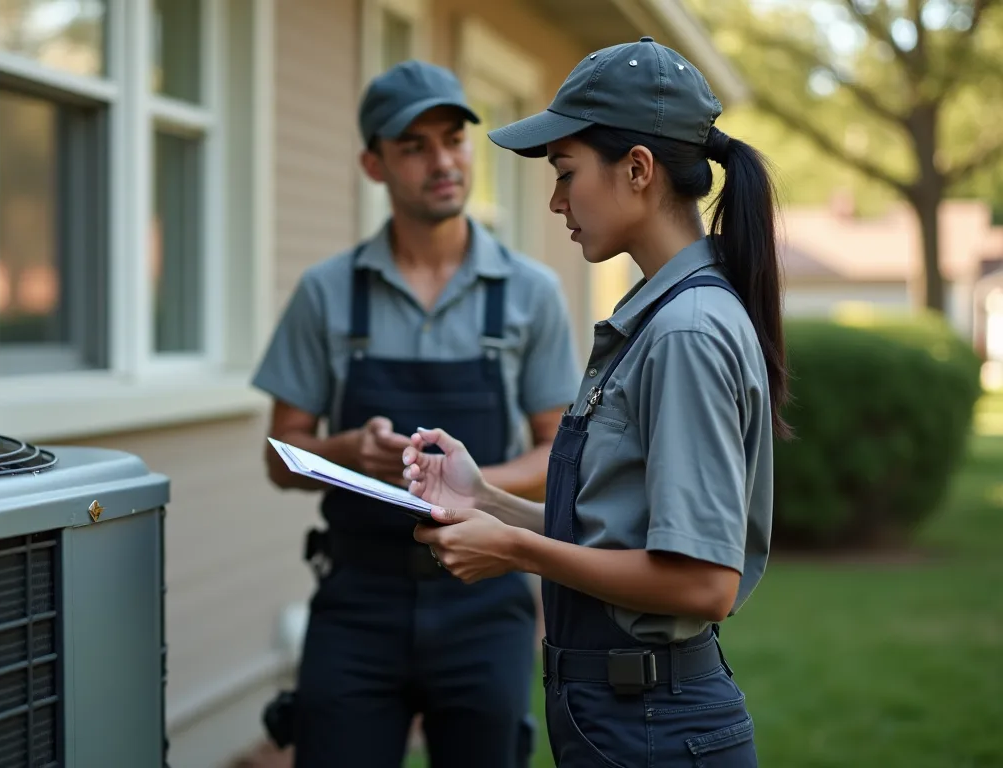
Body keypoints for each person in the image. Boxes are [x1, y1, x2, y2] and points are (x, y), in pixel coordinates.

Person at [406, 37, 789, 767]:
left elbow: (702, 582)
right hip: (623, 719)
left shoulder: (685, 332)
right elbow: (622, 535)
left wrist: (514, 548)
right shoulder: (657, 316)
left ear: (637, 170)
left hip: (653, 729)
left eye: (565, 172)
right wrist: (486, 500)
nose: (555, 201)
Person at [251, 59, 582, 768]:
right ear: (374, 164)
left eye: (453, 140)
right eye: (414, 146)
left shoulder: (532, 292)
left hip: (485, 602)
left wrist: (472, 489)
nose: (443, 162)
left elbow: (559, 454)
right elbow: (280, 455)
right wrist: (344, 449)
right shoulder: (326, 293)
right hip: (356, 597)